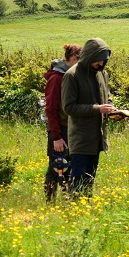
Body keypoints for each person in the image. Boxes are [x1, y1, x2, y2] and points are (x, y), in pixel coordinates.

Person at [61, 38, 120, 197]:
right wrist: (98, 109)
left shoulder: (102, 73)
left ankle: (85, 209)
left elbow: (106, 97)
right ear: (89, 56)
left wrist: (112, 111)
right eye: (98, 60)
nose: (101, 64)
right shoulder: (71, 76)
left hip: (97, 138)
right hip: (81, 138)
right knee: (78, 179)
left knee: (90, 179)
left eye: (103, 61)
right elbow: (68, 107)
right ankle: (73, 208)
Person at [44, 43, 82, 202]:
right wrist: (57, 137)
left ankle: (67, 200)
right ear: (73, 59)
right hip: (59, 129)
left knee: (69, 167)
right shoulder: (56, 78)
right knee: (57, 166)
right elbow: (51, 109)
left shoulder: (69, 76)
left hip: (69, 128)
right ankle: (49, 202)